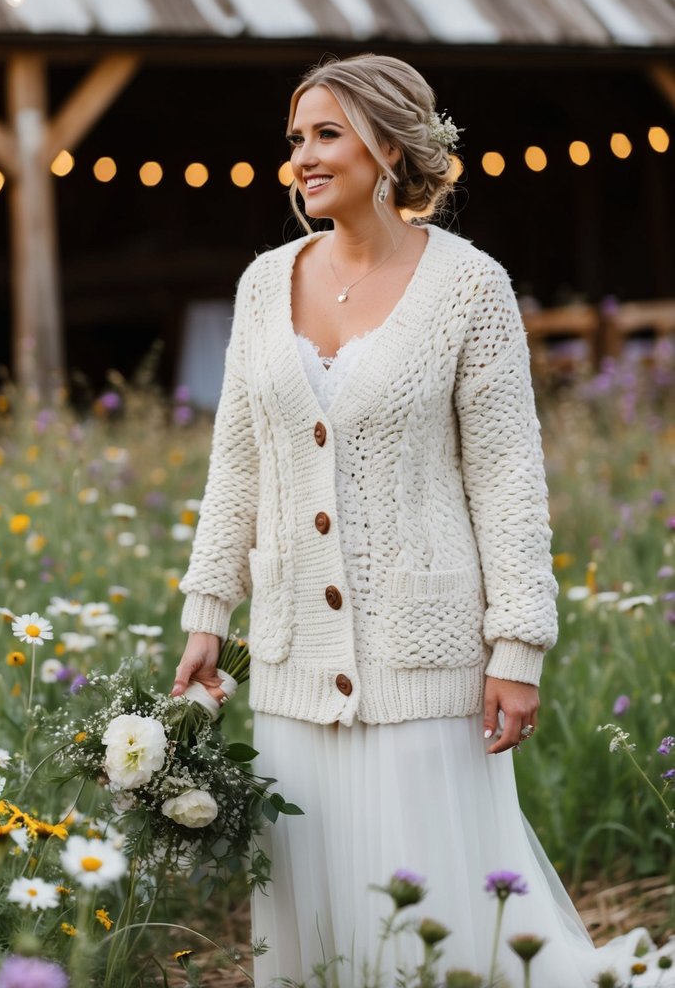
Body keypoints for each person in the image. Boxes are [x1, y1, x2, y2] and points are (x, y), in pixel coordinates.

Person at [171, 54, 673, 988]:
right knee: (315, 928)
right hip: (290, 662)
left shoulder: (468, 288)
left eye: (326, 135)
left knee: (436, 936)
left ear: (390, 147)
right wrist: (209, 616)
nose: (302, 159)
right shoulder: (261, 285)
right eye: (295, 140)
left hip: (425, 661)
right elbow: (235, 463)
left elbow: (508, 480)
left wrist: (516, 647)